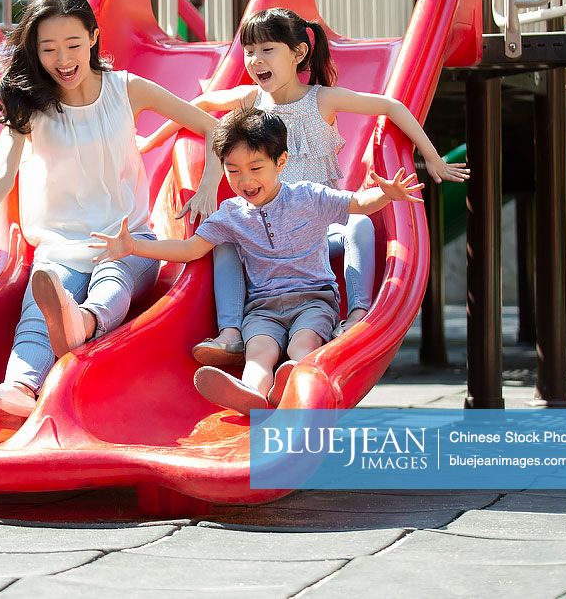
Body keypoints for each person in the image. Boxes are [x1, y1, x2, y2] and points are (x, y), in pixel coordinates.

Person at [0, 0, 224, 428]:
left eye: (73, 44)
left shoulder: (125, 89)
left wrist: (209, 181)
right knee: (39, 309)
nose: (63, 59)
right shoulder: (30, 107)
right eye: (49, 49)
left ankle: (87, 321)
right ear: (34, 53)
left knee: (112, 282)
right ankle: (18, 389)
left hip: (128, 240)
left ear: (94, 38)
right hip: (59, 248)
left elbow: (215, 128)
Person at [139, 7, 467, 365]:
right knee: (225, 243)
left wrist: (431, 157)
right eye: (249, 51)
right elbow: (201, 109)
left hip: (317, 233)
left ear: (298, 53)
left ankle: (357, 314)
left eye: (267, 50)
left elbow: (391, 106)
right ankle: (231, 333)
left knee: (359, 224)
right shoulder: (251, 101)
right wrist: (153, 145)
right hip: (267, 237)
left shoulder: (321, 99)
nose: (255, 60)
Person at [93, 108, 424, 413]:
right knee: (258, 354)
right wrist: (134, 246)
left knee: (302, 344)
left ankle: (293, 381)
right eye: (233, 171)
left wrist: (386, 194)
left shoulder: (307, 197)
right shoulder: (230, 216)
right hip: (262, 307)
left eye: (255, 168)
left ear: (281, 162)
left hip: (313, 299)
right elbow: (191, 249)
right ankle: (251, 393)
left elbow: (358, 205)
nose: (245, 182)